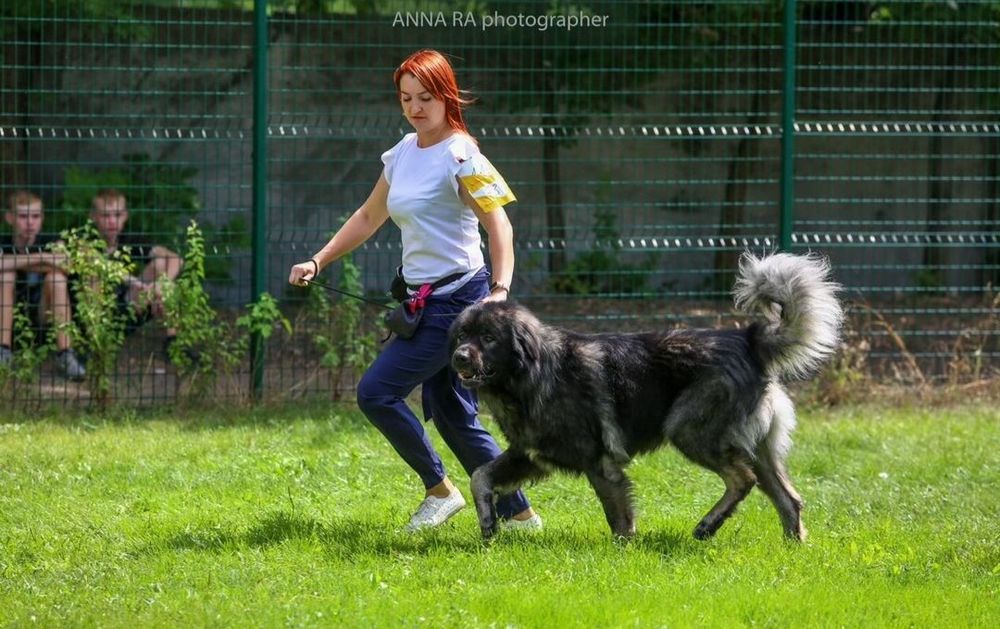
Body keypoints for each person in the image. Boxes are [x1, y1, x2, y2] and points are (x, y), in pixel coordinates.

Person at [288, 50, 541, 533]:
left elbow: (500, 226)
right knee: (452, 415)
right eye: (406, 98)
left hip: (462, 304)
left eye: (425, 97)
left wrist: (501, 291)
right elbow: (368, 216)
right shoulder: (403, 152)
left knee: (377, 392)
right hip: (421, 300)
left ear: (447, 95)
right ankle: (520, 517)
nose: (415, 107)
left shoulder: (464, 156)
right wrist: (320, 259)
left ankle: (439, 491)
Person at [0, 190, 86, 381]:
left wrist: (15, 261)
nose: (30, 223)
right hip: (11, 318)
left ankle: (65, 353)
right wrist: (42, 257)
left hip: (43, 316)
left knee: (56, 278)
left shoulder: (51, 240)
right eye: (23, 216)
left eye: (35, 216)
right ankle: (3, 351)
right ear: (9, 218)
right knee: (5, 276)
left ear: (42, 218)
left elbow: (68, 265)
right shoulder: (4, 242)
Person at [89, 188, 185, 360]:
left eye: (117, 215)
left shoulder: (131, 239)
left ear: (125, 216)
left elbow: (176, 259)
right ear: (93, 217)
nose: (112, 221)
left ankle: (173, 342)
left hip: (130, 307)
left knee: (161, 265)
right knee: (92, 275)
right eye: (105, 216)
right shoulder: (86, 240)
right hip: (96, 312)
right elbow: (94, 265)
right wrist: (129, 279)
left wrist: (163, 284)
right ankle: (96, 343)